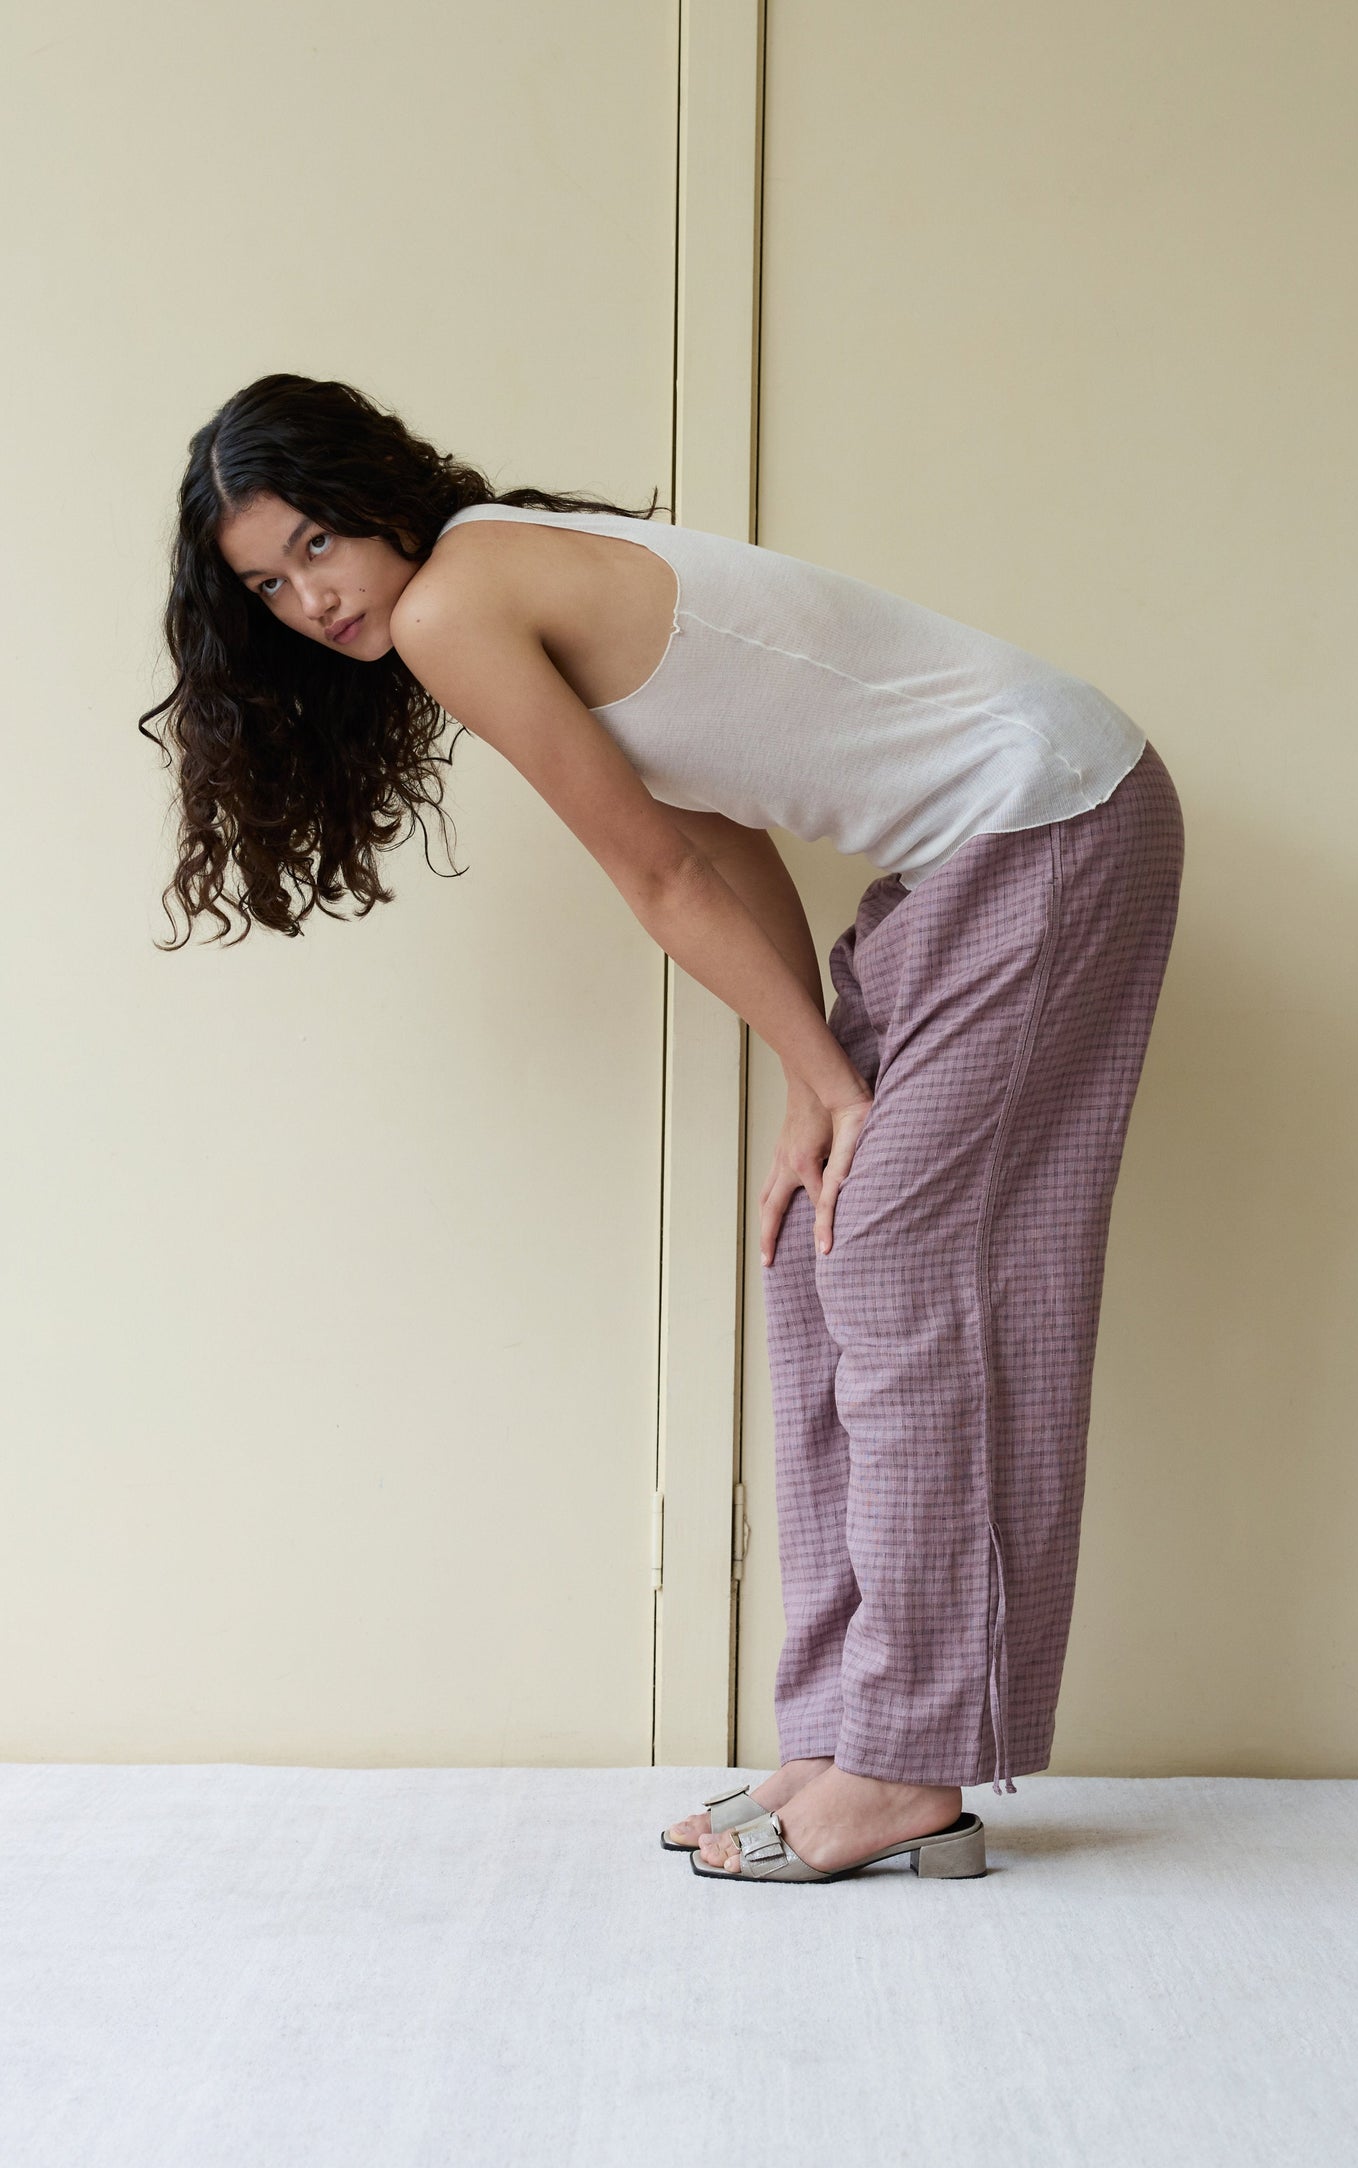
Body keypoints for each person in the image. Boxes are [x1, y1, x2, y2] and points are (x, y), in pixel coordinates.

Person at [140, 372, 1184, 1886]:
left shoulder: (458, 598)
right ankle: (841, 1734)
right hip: (971, 857)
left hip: (1045, 818)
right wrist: (807, 1076)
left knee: (895, 1268)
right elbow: (717, 830)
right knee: (813, 1251)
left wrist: (823, 1079)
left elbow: (660, 883)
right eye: (267, 584)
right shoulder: (495, 575)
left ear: (380, 499)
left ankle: (908, 1760)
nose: (312, 598)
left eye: (318, 544)